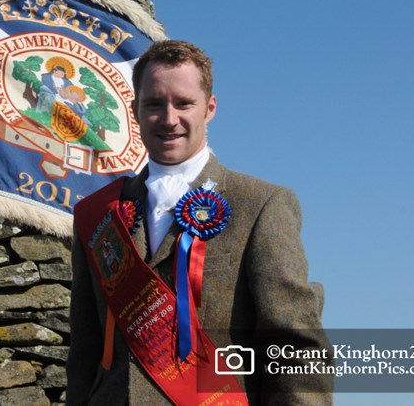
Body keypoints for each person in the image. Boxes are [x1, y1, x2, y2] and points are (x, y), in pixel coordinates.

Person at [67, 40, 332, 405]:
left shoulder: (261, 205)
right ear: (135, 111)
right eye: (155, 104)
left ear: (209, 109)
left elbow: (294, 345)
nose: (169, 118)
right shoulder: (96, 215)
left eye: (184, 103)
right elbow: (85, 350)